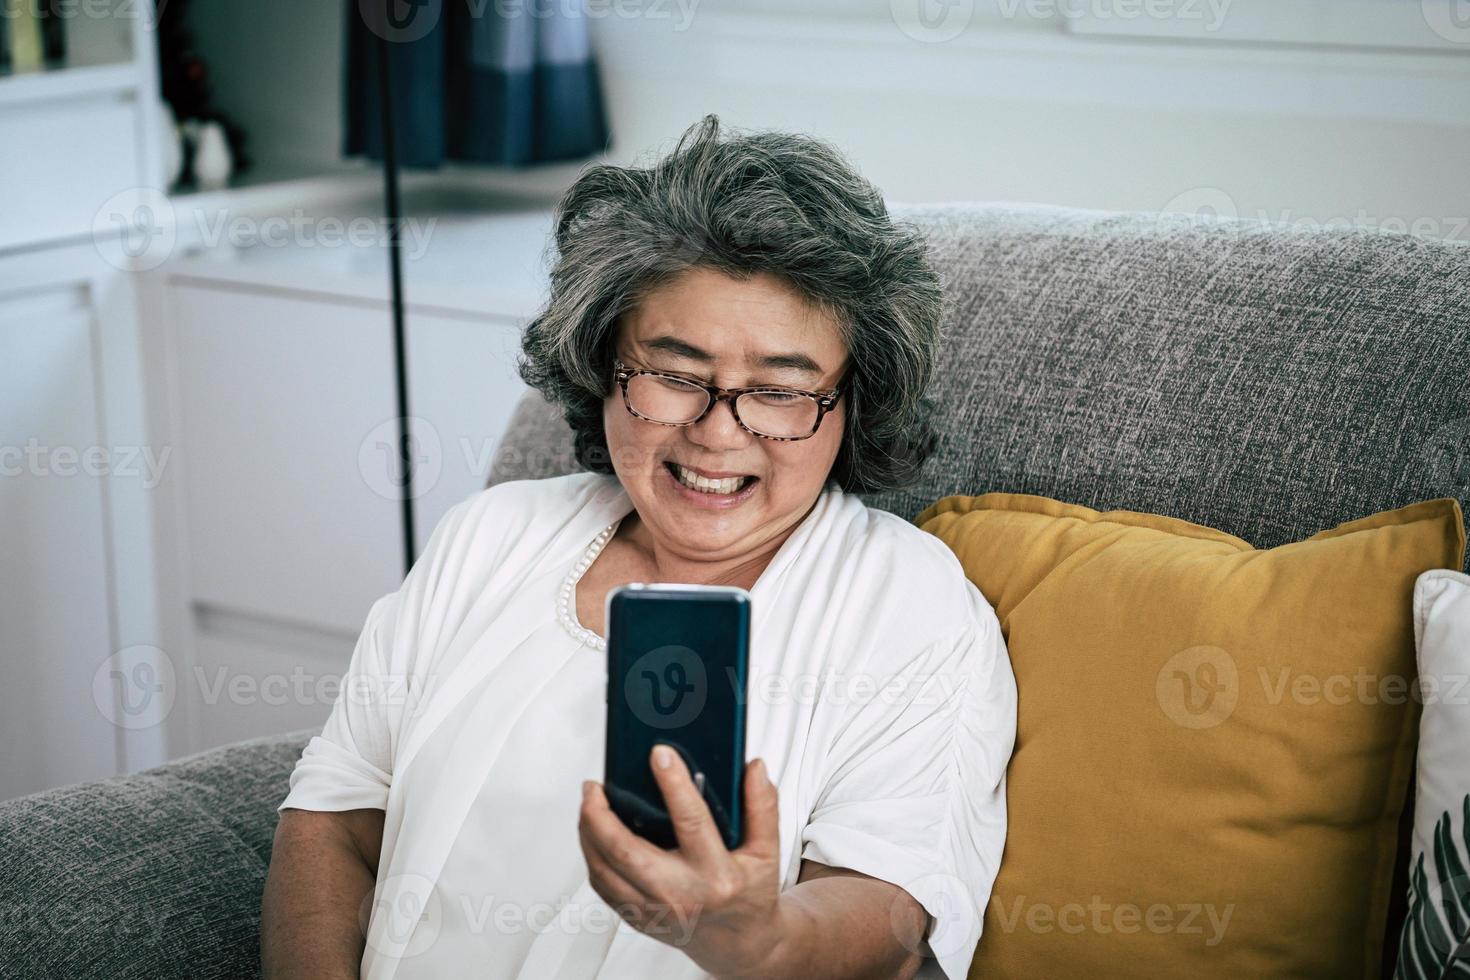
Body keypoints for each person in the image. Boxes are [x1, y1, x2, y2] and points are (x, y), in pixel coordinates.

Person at [261, 113, 1017, 980]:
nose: (716, 434)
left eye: (779, 390)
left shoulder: (909, 604)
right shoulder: (491, 537)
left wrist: (759, 940)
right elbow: (335, 816)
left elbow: (887, 911)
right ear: (604, 365)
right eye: (674, 375)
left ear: (852, 405)